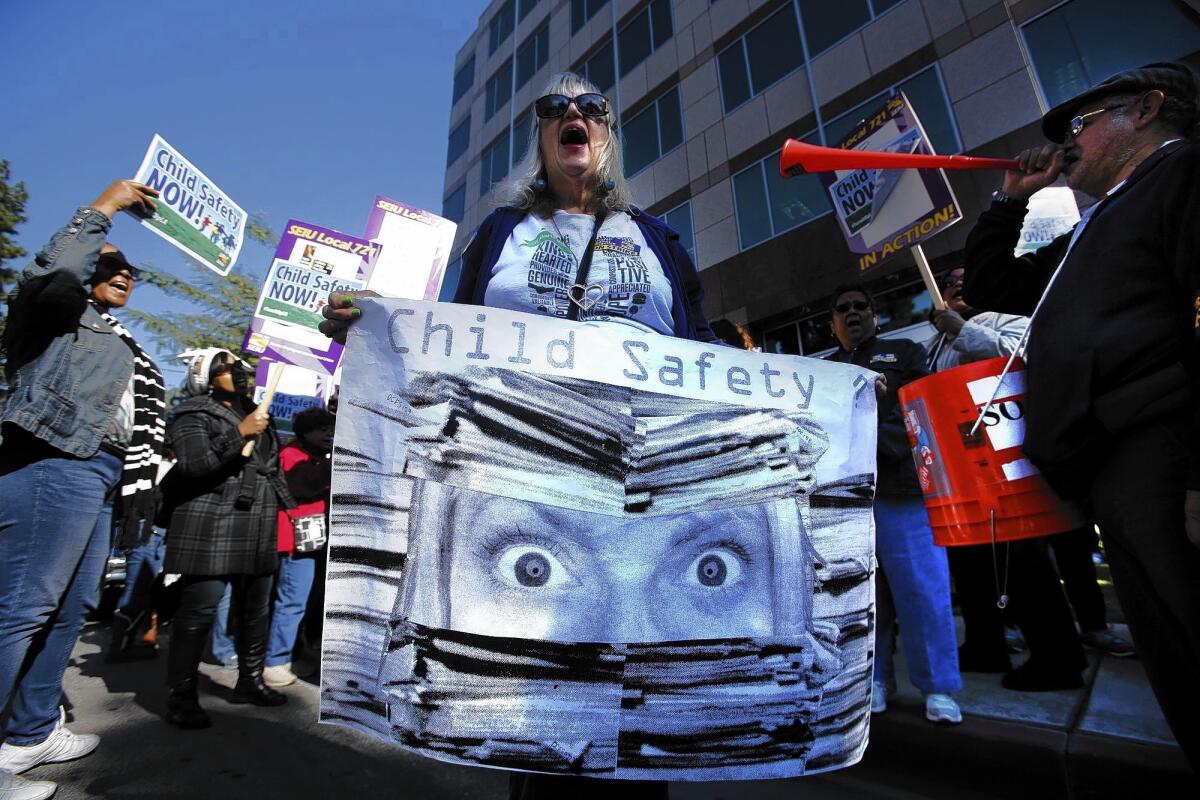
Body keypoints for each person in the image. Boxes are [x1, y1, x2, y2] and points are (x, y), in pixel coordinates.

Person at [323, 71, 718, 800]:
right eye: (554, 110)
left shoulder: (656, 237)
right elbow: (451, 335)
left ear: (607, 134)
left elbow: (705, 351)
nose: (574, 116)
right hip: (524, 483)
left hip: (639, 492)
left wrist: (830, 396)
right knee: (535, 693)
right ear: (540, 138)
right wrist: (379, 325)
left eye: (591, 108)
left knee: (632, 692)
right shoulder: (503, 233)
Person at [961, 61, 1200, 769]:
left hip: (1163, 449)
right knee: (1177, 662)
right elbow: (996, 289)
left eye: (1081, 124)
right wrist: (1012, 204)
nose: (1068, 141)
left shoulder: (1183, 176)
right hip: (1113, 469)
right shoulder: (1098, 224)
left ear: (1147, 111)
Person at [0, 180, 165, 800]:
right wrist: (107, 206)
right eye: (111, 266)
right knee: (21, 607)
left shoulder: (117, 336)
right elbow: (59, 265)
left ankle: (30, 731)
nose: (124, 277)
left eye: (131, 274)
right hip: (54, 460)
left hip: (101, 471)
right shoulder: (53, 308)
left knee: (70, 609)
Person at [927, 268, 1089, 690]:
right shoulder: (932, 346)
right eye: (949, 282)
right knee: (971, 563)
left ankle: (1058, 655)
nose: (958, 284)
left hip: (1011, 466)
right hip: (963, 472)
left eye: (966, 277)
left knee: (1023, 559)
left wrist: (964, 331)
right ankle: (985, 644)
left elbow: (1026, 356)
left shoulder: (1009, 320)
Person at [824, 285, 963, 724]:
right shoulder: (823, 371)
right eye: (842, 308)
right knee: (865, 599)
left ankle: (938, 686)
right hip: (847, 503)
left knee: (923, 590)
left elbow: (924, 412)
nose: (852, 313)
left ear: (875, 316)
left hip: (900, 491)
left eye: (860, 305)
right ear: (832, 324)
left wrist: (878, 412)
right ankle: (875, 679)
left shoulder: (904, 352)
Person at [160, 348, 295, 729]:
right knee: (199, 610)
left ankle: (249, 681)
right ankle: (181, 695)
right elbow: (192, 465)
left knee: (256, 609)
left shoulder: (258, 411)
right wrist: (239, 433)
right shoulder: (192, 414)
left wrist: (289, 508)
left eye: (239, 365)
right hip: (212, 521)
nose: (237, 371)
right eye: (226, 367)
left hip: (258, 521)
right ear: (205, 377)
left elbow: (270, 467)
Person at [263, 406, 334, 688]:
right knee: (292, 601)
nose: (329, 434)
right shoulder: (291, 456)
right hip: (298, 540)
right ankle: (275, 661)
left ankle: (299, 652)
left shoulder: (316, 457)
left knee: (309, 601)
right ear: (305, 432)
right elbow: (305, 486)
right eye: (323, 429)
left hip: (315, 539)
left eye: (330, 429)